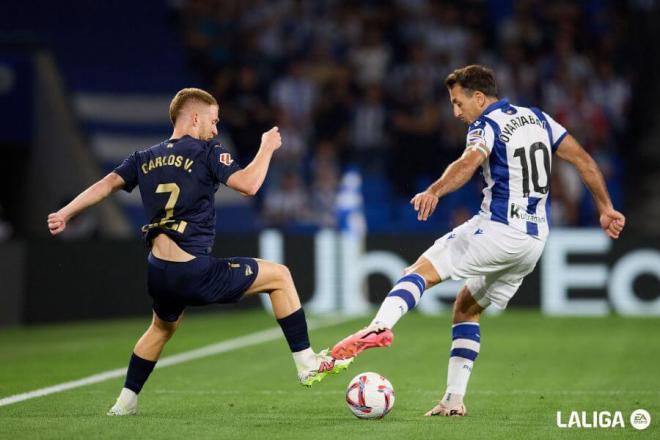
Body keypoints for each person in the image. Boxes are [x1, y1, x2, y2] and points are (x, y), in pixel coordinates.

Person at [331, 65, 625, 417]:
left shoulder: (486, 124)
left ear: (480, 98)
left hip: (499, 229)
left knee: (419, 271)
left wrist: (434, 190)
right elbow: (583, 159)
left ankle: (379, 327)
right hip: (534, 243)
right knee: (466, 308)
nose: (456, 112)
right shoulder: (539, 118)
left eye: (458, 103)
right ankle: (453, 401)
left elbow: (469, 161)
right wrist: (605, 208)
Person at [47, 88, 352, 416]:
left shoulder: (144, 157)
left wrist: (66, 212)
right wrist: (266, 149)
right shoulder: (208, 151)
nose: (216, 129)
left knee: (161, 328)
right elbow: (248, 185)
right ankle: (306, 363)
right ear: (194, 117)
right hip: (192, 270)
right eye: (213, 120)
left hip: (159, 272)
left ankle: (124, 403)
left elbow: (106, 184)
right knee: (280, 276)